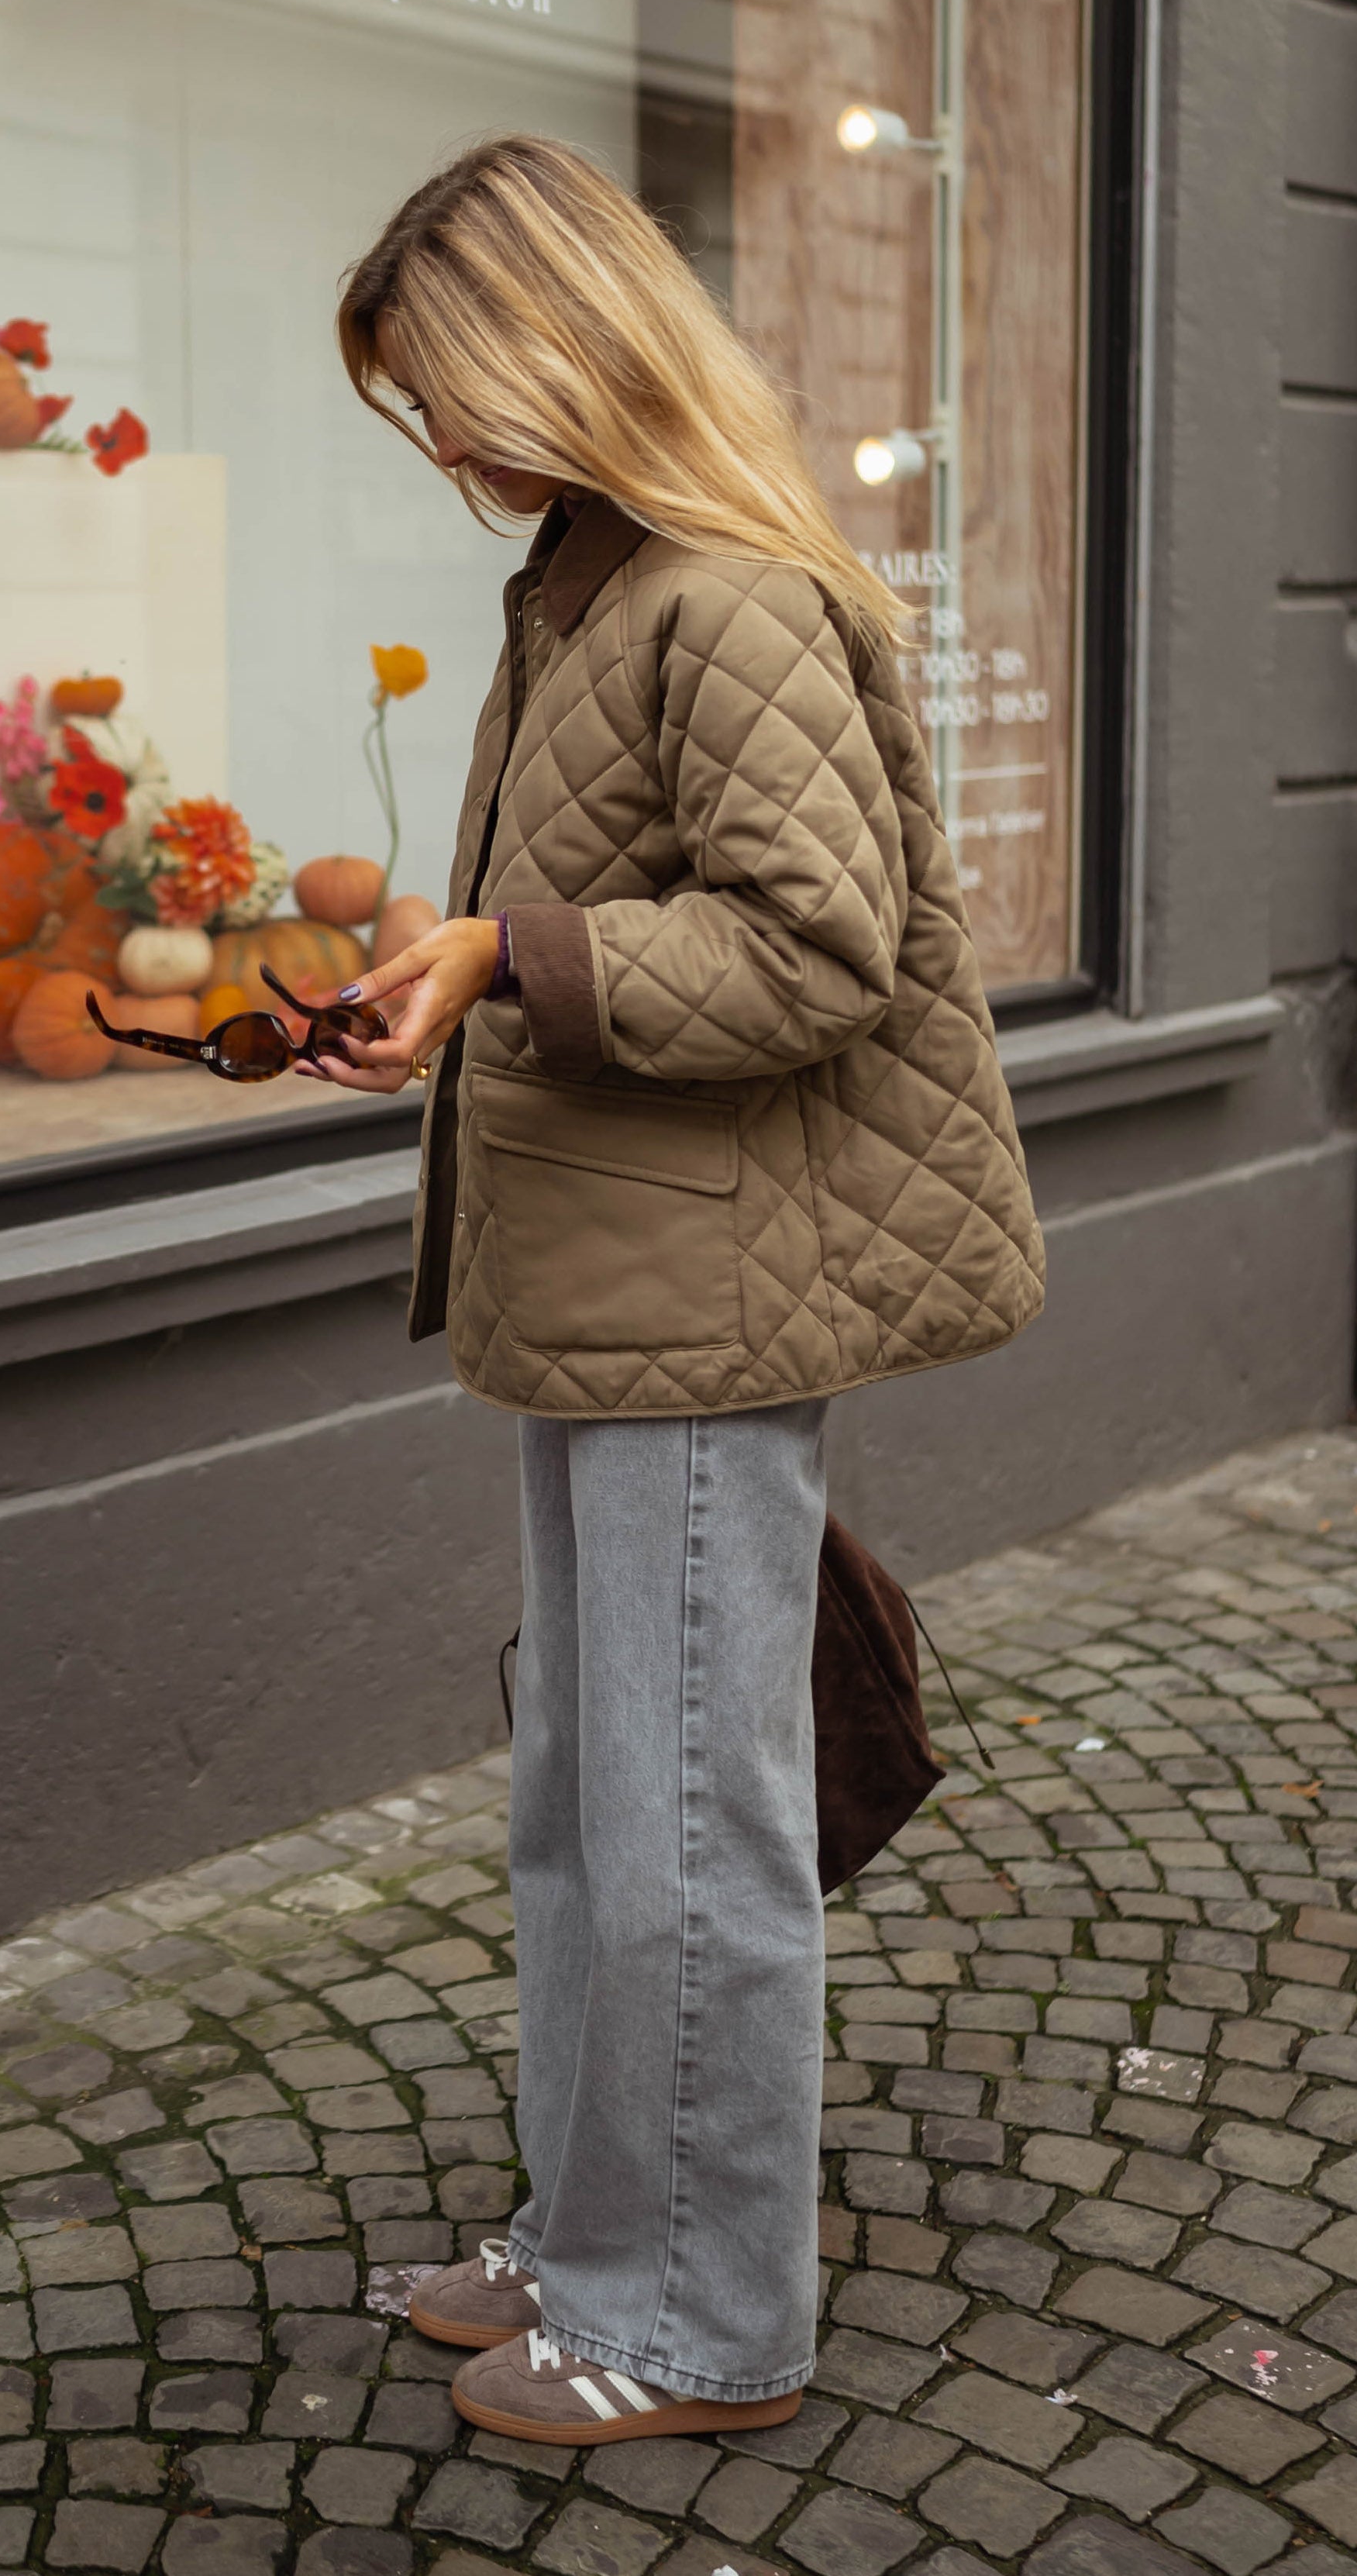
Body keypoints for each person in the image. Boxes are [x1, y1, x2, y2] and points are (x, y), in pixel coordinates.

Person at [300, 134, 1044, 2448]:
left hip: (700, 1305)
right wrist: (447, 984)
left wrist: (500, 956)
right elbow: (601, 933)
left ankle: (702, 2317)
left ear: (560, 348)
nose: (435, 443)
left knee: (684, 1822)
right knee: (583, 1804)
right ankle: (586, 2221)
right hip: (605, 1285)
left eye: (443, 389)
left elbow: (817, 950)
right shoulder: (584, 584)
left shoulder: (720, 597)